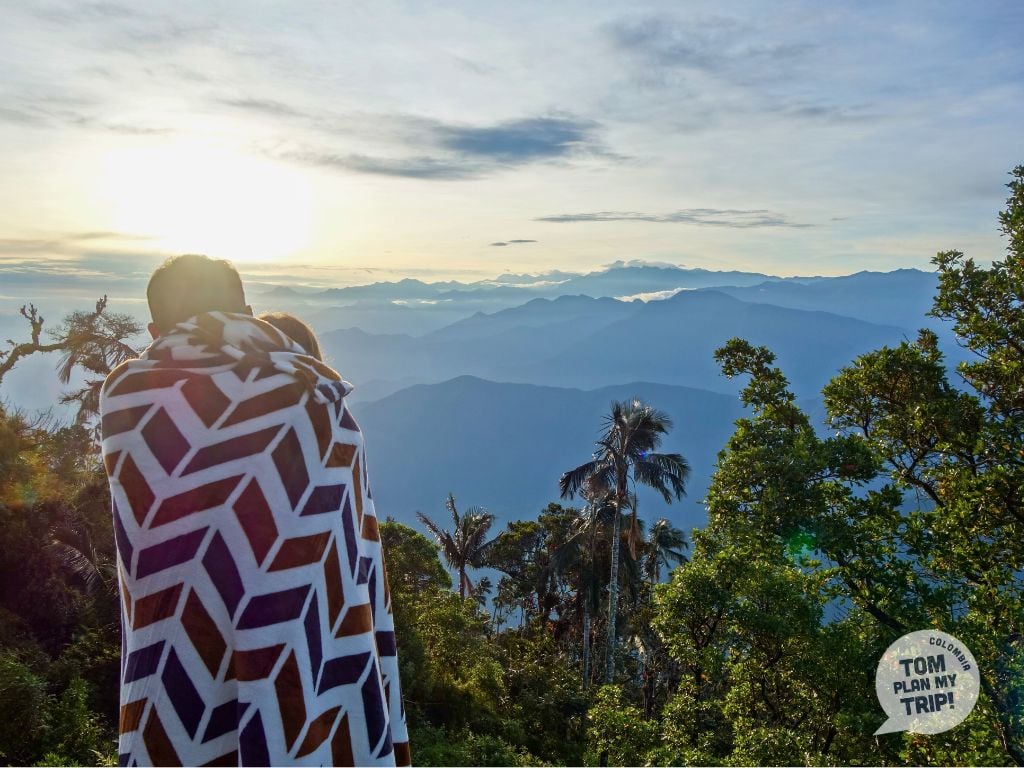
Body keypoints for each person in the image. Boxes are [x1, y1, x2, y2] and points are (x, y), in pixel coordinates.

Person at [99, 254, 410, 766]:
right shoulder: (313, 399)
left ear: (154, 330)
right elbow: (353, 569)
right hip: (304, 677)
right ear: (246, 311)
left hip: (173, 674)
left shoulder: (126, 398)